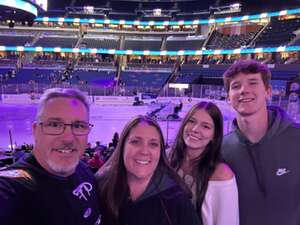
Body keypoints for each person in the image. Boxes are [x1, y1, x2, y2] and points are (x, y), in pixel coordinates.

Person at [0, 88, 101, 225]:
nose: (68, 138)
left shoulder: (84, 170)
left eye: (78, 126)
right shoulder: (12, 188)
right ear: (36, 131)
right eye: (54, 125)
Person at [222, 59, 300, 225]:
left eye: (252, 83)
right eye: (236, 86)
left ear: (268, 91)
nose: (244, 90)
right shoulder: (221, 149)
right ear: (228, 97)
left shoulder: (296, 138)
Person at [96, 115, 201, 225]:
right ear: (122, 146)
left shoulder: (177, 201)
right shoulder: (100, 186)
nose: (144, 151)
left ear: (160, 152)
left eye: (153, 144)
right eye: (136, 142)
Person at [169, 101, 239, 225]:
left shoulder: (221, 174)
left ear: (214, 135)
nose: (195, 129)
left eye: (205, 126)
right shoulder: (168, 158)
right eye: (191, 121)